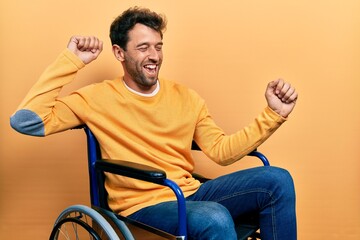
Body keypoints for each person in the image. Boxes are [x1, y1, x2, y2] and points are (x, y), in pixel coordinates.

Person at [10, 6, 298, 240]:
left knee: (277, 179)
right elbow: (26, 121)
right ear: (119, 53)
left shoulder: (186, 97)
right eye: (143, 47)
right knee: (213, 216)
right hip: (142, 204)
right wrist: (71, 60)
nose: (154, 56)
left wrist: (273, 114)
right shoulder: (96, 98)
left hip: (190, 192)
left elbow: (221, 151)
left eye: (158, 46)